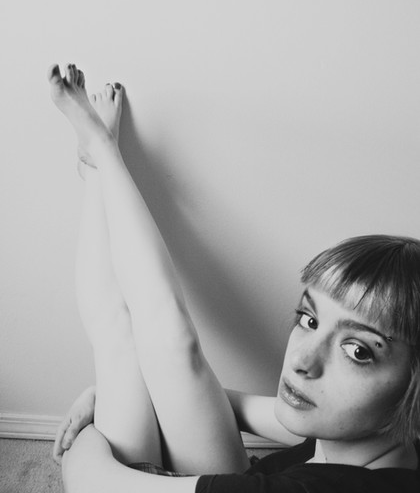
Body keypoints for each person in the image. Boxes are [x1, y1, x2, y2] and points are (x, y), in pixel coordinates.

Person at [47, 63, 420, 493]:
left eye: (358, 351)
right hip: (244, 477)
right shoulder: (391, 442)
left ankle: (97, 159)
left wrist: (89, 429)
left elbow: (94, 483)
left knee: (119, 346)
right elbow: (245, 410)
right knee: (173, 347)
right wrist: (115, 391)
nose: (301, 361)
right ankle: (100, 154)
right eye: (310, 319)